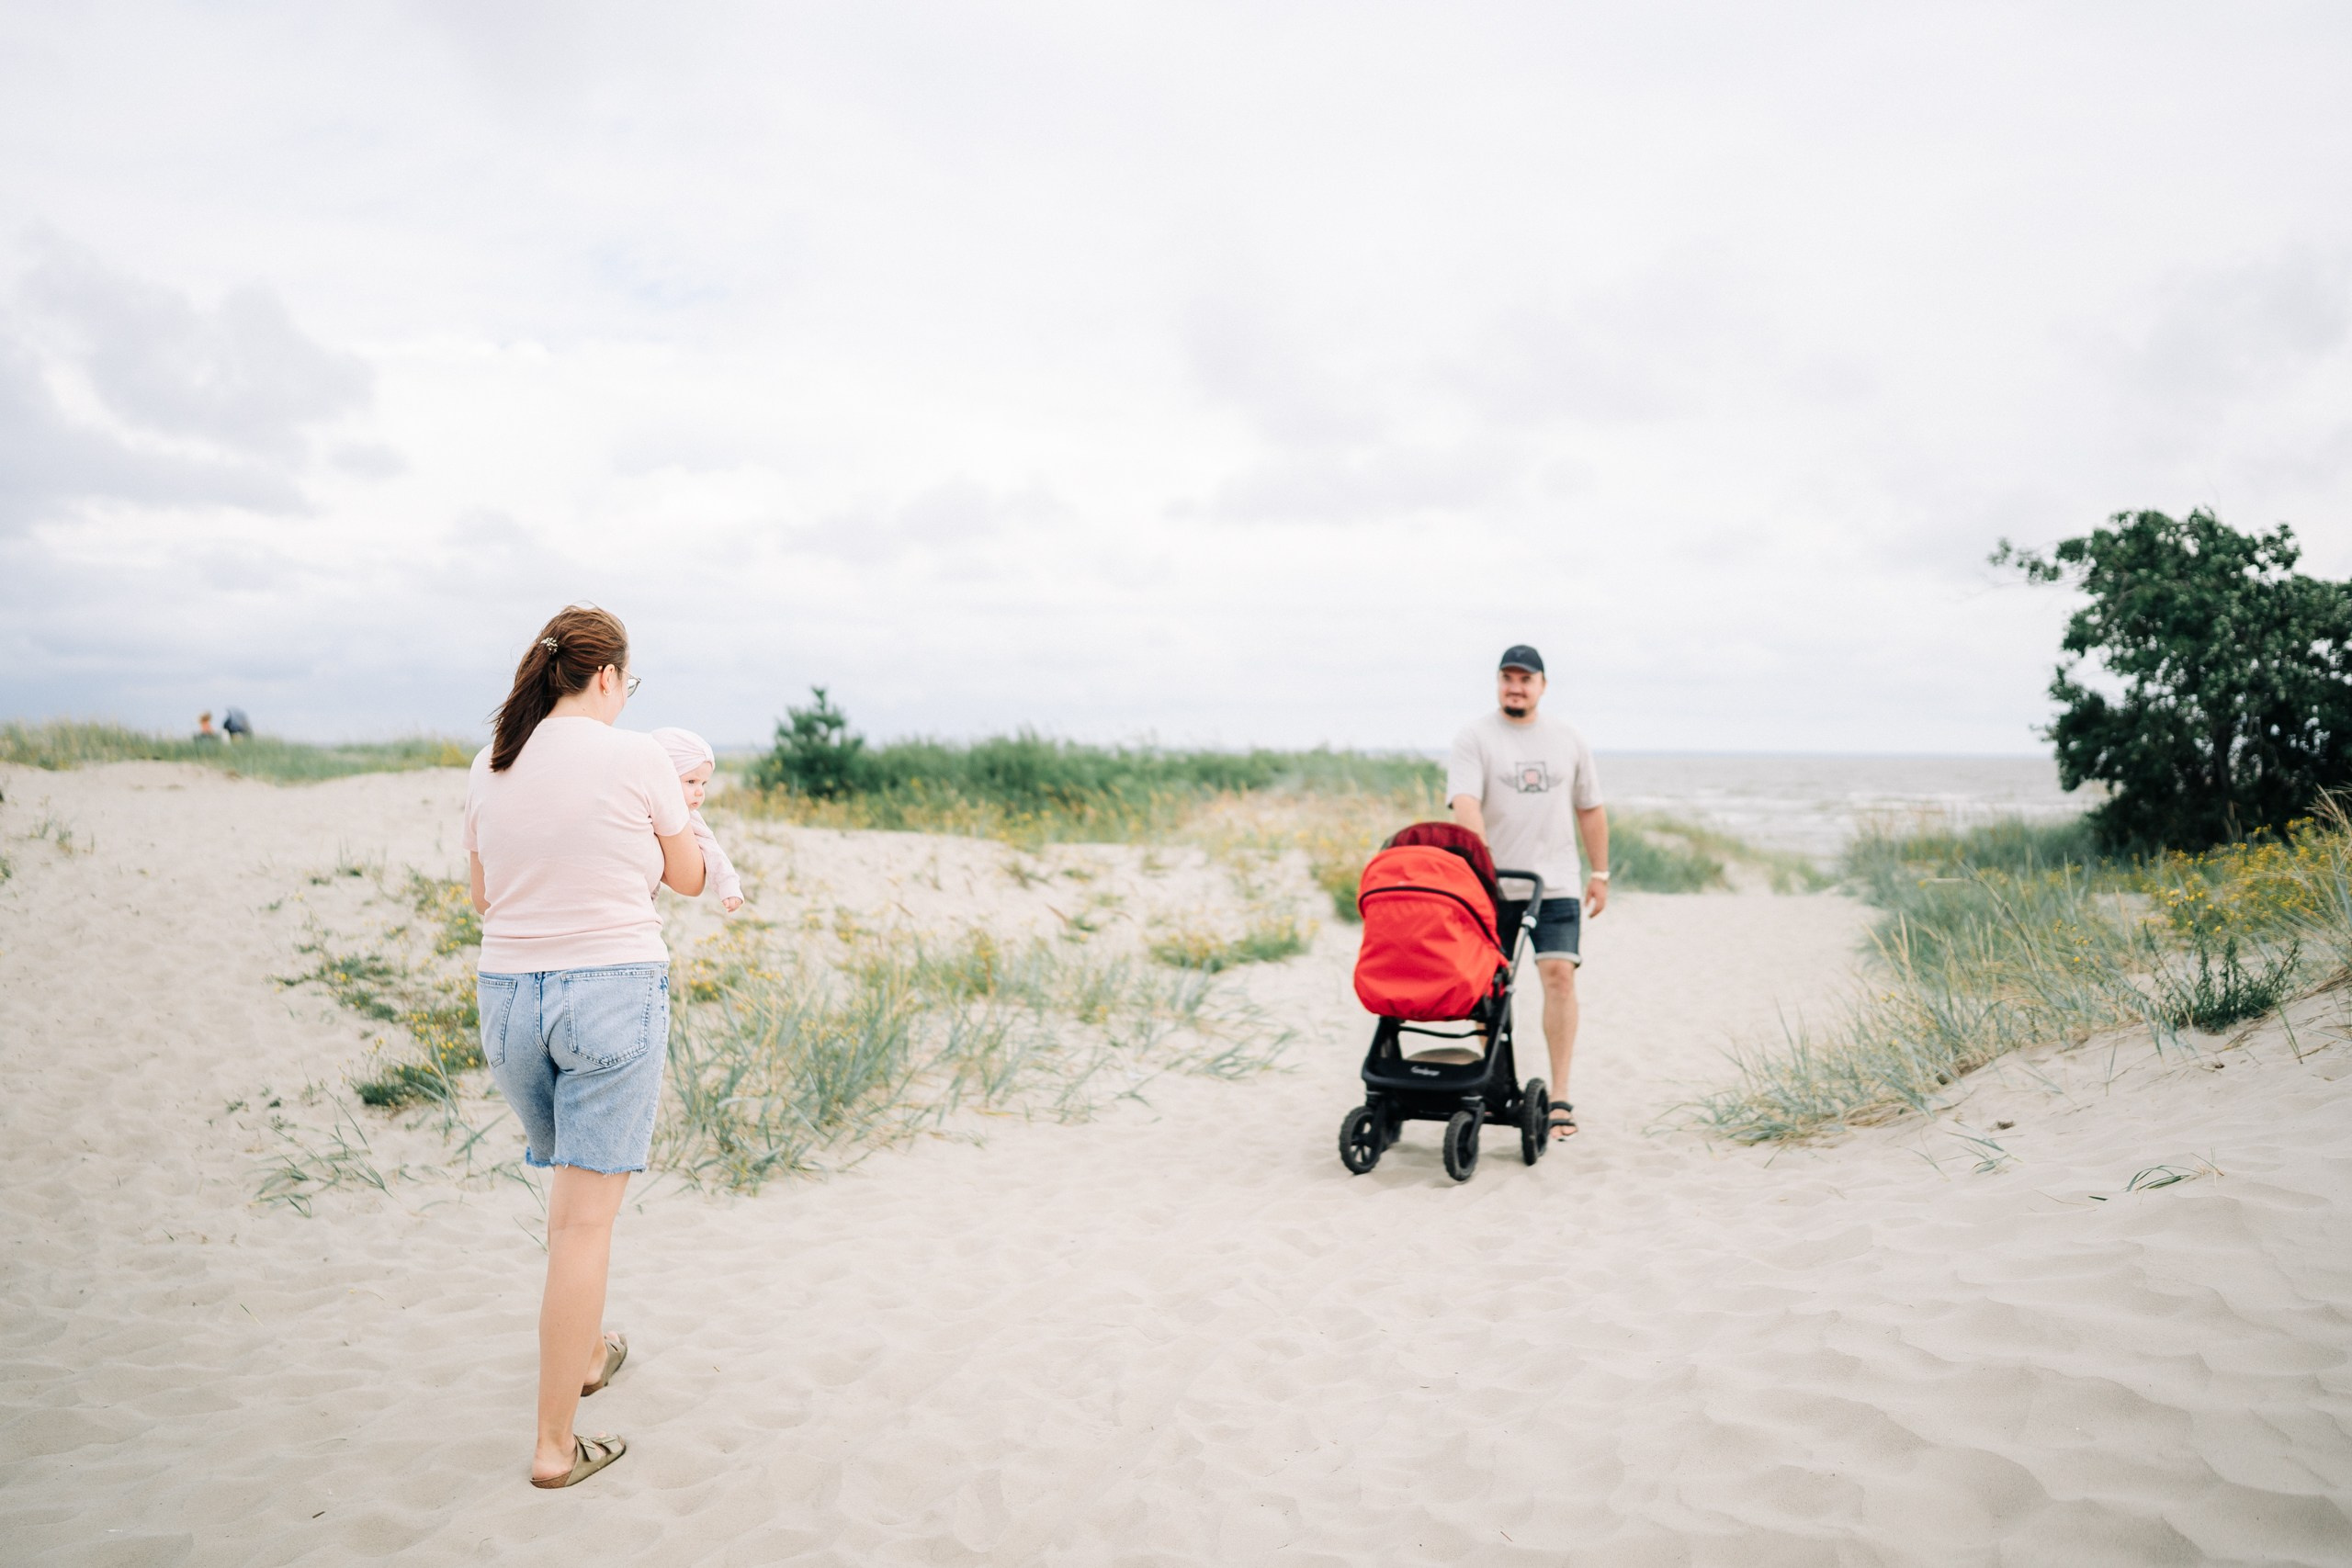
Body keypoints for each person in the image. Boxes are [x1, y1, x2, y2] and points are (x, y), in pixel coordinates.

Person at [462, 605, 707, 1489]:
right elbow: (688, 876)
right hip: (610, 993)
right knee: (583, 1225)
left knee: (569, 1208)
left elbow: (484, 896)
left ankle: (592, 1350)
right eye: (626, 682)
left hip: (508, 1002)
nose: (625, 696)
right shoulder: (638, 756)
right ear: (605, 676)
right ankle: (554, 1446)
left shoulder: (492, 763)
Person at [1446, 644, 1608, 1142]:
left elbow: (1590, 808)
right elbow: (1465, 804)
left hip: (1555, 884)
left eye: (1525, 679)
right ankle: (1494, 1082)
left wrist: (1600, 873)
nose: (1515, 687)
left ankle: (1559, 1096)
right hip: (1492, 885)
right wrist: (1482, 860)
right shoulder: (1475, 737)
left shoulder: (1568, 738)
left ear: (1542, 685)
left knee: (1559, 977)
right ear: (1498, 682)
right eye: (1507, 678)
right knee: (1488, 990)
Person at [650, 728, 745, 913]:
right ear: (665, 777)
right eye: (691, 782)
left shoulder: (687, 816)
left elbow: (711, 848)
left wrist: (728, 885)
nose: (700, 792)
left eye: (704, 783)